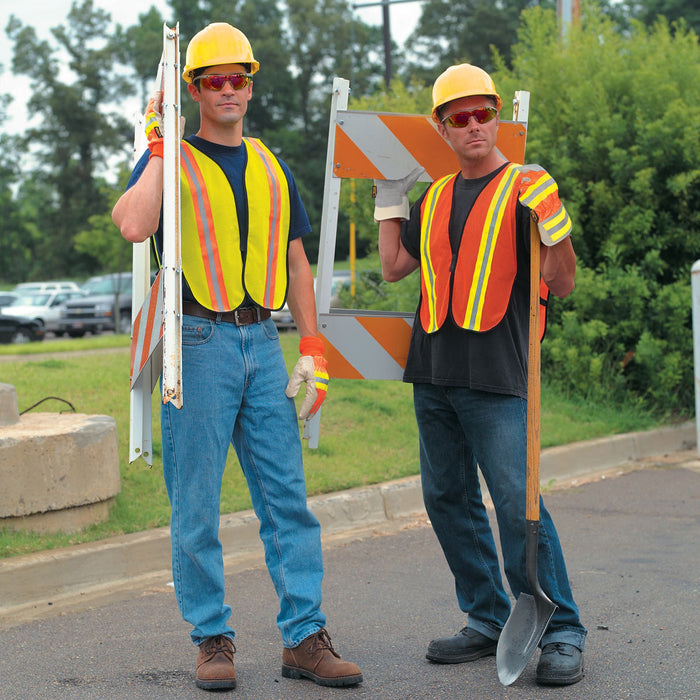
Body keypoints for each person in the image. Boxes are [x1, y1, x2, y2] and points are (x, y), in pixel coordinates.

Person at [112, 22, 362, 692]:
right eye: (212, 79)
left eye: (238, 78)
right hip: (196, 344)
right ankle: (212, 640)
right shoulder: (172, 160)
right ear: (192, 89)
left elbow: (297, 259)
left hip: (265, 344)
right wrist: (159, 147)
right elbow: (134, 223)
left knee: (288, 499)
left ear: (251, 87)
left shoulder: (273, 165)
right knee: (195, 505)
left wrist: (311, 344)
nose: (227, 89)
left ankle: (305, 639)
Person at [373, 63, 586, 686]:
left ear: (498, 117)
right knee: (445, 498)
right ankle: (488, 614)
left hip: (498, 373)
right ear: (442, 127)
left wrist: (555, 221)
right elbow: (392, 268)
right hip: (435, 371)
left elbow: (563, 282)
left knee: (520, 504)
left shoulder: (525, 188)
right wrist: (390, 197)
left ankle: (565, 629)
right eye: (458, 118)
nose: (473, 126)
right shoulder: (436, 196)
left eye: (482, 113)